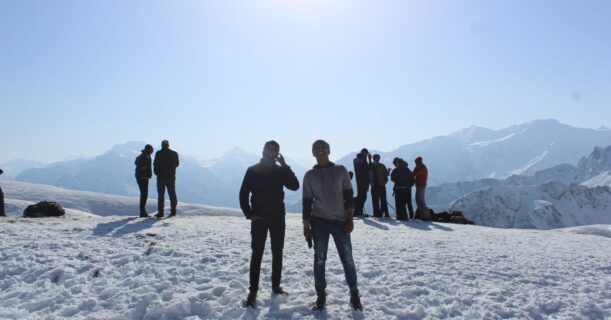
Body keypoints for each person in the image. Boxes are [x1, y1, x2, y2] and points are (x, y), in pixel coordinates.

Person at [303, 140, 362, 311]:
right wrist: (306, 226)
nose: (320, 150)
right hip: (319, 222)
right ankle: (321, 296)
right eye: (317, 148)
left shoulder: (341, 170)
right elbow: (307, 202)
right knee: (319, 260)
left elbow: (349, 195)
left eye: (323, 147)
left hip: (340, 222)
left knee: (348, 260)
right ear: (313, 153)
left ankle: (354, 295)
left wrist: (350, 217)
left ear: (329, 151)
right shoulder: (309, 176)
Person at [239, 140, 300, 308]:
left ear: (277, 153)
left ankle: (275, 286)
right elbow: (243, 194)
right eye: (269, 149)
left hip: (278, 217)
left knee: (277, 252)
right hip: (259, 218)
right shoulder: (252, 170)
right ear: (263, 150)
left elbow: (295, 186)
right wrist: (249, 214)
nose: (271, 152)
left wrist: (285, 165)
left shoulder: (281, 171)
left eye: (274, 150)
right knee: (256, 253)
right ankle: (253, 291)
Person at [153, 140, 179, 218]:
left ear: (162, 145)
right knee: (172, 194)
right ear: (168, 145)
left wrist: (157, 173)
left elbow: (155, 164)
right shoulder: (174, 153)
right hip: (171, 177)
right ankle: (173, 211)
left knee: (161, 195)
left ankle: (161, 212)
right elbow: (177, 164)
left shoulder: (158, 153)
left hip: (161, 177)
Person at [135, 144, 154, 218]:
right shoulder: (144, 156)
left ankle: (143, 211)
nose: (152, 151)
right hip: (142, 177)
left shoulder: (146, 156)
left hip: (143, 177)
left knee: (144, 194)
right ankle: (142, 212)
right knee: (144, 194)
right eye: (151, 150)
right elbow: (139, 165)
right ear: (148, 150)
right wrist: (144, 172)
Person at [353, 148, 371, 217]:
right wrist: (369, 159)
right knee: (363, 197)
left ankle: (358, 211)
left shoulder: (356, 160)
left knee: (361, 196)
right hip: (363, 180)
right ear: (364, 153)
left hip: (359, 180)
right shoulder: (363, 160)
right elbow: (369, 168)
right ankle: (358, 211)